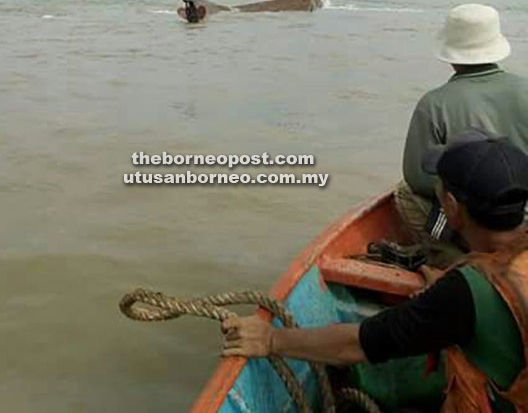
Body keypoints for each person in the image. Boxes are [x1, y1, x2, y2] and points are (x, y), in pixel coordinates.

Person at [222, 131, 528, 412]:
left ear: (450, 206)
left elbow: (358, 344)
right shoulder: (474, 282)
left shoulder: (464, 292)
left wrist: (271, 339)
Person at [396, 4, 528, 247]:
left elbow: (416, 178)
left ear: (450, 53)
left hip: (475, 225)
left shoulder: (434, 103)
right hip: (521, 215)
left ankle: (446, 255)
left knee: (404, 192)